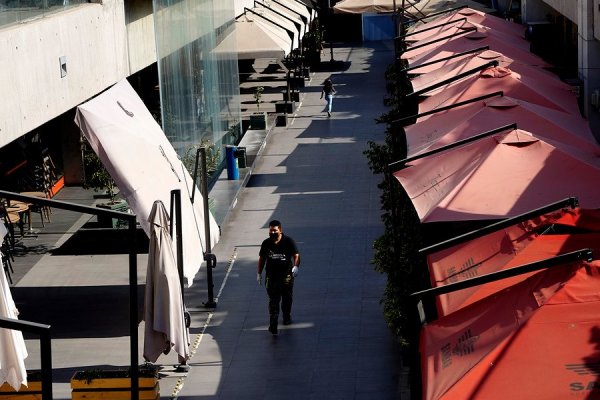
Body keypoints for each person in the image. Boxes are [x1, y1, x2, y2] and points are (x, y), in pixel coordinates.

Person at [257, 220, 300, 335]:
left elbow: (296, 255)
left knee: (287, 298)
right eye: (271, 231)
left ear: (280, 230)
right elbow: (262, 259)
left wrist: (296, 266)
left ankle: (286, 316)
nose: (273, 233)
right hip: (271, 277)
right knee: (273, 300)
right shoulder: (266, 243)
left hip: (286, 276)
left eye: (275, 230)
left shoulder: (288, 241)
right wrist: (259, 273)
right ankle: (273, 323)